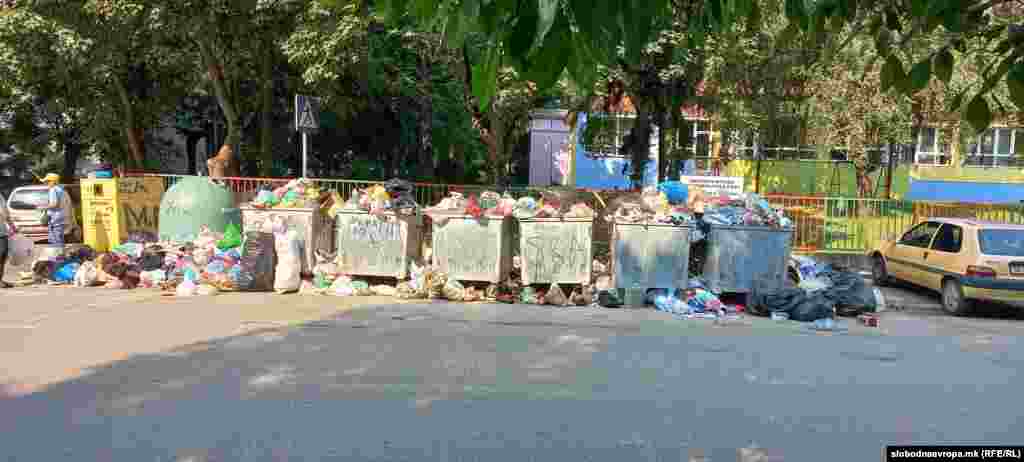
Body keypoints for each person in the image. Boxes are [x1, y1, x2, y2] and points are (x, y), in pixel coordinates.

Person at [43, 173, 73, 246]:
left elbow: (54, 204)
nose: (46, 183)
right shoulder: (62, 190)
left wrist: (43, 208)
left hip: (55, 219)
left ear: (53, 181)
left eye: (47, 181)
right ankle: (60, 254)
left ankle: (58, 256)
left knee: (55, 240)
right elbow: (69, 204)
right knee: (59, 239)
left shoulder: (53, 190)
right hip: (63, 218)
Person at [0, 192, 16, 288]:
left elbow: (5, 212)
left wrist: (12, 226)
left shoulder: (0, 196)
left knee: (3, 255)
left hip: (2, 231)